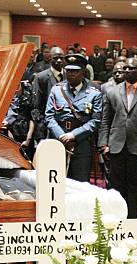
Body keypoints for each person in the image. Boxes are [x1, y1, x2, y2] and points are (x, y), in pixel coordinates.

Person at [99, 57, 137, 218]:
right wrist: (103, 144)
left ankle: (133, 220)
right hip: (115, 146)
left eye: (130, 68)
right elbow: (106, 120)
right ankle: (116, 219)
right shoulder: (112, 92)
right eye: (124, 68)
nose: (126, 71)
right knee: (116, 187)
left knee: (135, 187)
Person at [45, 54, 102, 182]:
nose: (71, 74)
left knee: (80, 184)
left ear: (83, 72)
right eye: (69, 71)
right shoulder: (57, 90)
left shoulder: (94, 92)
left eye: (75, 71)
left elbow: (96, 120)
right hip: (58, 141)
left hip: (81, 143)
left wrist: (73, 135)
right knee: (56, 183)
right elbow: (49, 117)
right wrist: (62, 136)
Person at [32, 47, 65, 143]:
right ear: (50, 59)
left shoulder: (68, 75)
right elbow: (37, 103)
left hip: (65, 123)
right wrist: (40, 125)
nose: (59, 60)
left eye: (61, 58)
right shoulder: (41, 77)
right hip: (47, 123)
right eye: (56, 58)